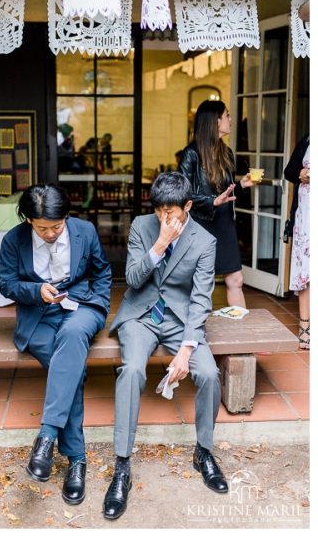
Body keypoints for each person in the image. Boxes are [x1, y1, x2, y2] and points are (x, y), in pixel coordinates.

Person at [103, 172, 225, 521]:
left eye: (170, 212)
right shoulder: (143, 226)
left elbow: (201, 299)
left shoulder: (205, 241)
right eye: (158, 211)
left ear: (188, 206)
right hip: (141, 315)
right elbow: (133, 278)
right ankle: (122, 464)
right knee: (132, 370)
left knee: (209, 373)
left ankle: (203, 451)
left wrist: (187, 349)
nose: (164, 218)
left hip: (180, 320)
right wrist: (159, 243)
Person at [0, 184, 111, 505]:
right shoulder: (13, 240)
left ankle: (47, 437)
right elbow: (6, 284)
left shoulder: (85, 231)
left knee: (74, 337)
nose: (49, 234)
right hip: (39, 315)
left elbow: (102, 271)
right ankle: (77, 461)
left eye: (56, 227)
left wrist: (100, 303)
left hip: (82, 308)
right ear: (28, 220)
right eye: (41, 228)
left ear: (67, 217)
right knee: (71, 371)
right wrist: (36, 292)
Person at [178, 100, 259, 308]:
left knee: (236, 280)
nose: (231, 119)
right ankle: (196, 331)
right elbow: (182, 193)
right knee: (201, 284)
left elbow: (227, 191)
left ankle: (239, 334)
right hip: (200, 224)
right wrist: (211, 201)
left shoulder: (226, 152)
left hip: (224, 223)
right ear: (216, 121)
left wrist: (241, 185)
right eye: (227, 115)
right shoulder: (191, 154)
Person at [285, 134, 310, 349]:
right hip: (306, 218)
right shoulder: (308, 139)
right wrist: (300, 173)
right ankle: (305, 328)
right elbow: (289, 171)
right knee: (306, 273)